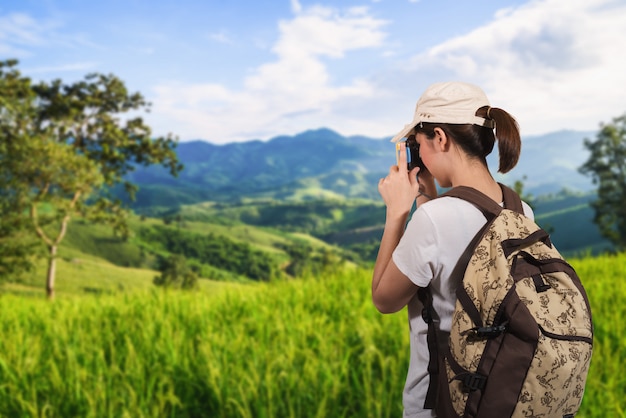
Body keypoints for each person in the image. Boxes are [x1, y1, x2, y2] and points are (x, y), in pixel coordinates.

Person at [371, 81, 534, 418]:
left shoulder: (432, 219)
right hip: (502, 396)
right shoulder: (522, 210)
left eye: (419, 143)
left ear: (440, 138)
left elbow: (384, 300)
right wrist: (425, 198)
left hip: (441, 403)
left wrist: (398, 211)